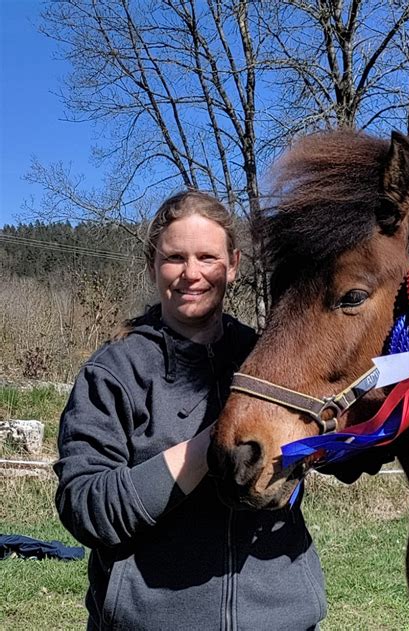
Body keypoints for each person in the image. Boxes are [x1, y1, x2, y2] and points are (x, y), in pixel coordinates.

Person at [54, 190, 327, 631]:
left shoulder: (268, 359)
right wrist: (209, 446)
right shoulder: (114, 372)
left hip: (282, 618)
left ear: (233, 265)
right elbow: (86, 507)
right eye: (175, 257)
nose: (192, 273)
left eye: (207, 257)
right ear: (152, 265)